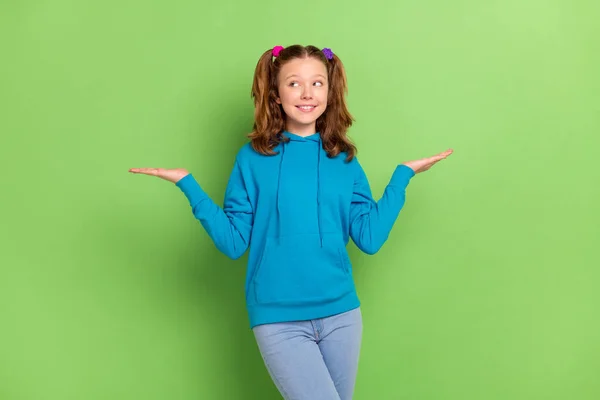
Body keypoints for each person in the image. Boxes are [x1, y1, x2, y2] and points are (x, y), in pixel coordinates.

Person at [129, 44, 452, 400]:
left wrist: (402, 177)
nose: (307, 93)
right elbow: (234, 242)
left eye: (317, 83)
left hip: (342, 315)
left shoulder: (344, 160)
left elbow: (370, 237)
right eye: (294, 83)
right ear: (276, 94)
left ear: (330, 92)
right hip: (278, 318)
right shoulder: (252, 159)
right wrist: (188, 185)